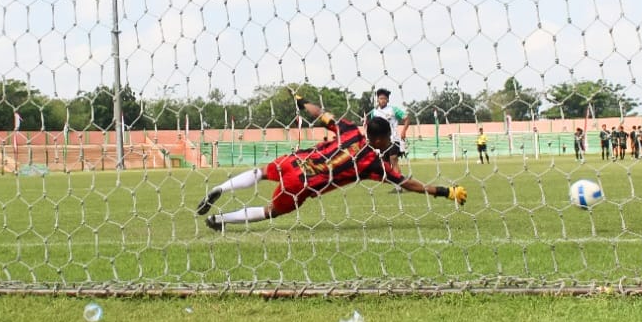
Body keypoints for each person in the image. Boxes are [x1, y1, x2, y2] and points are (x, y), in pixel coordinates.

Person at [195, 91, 467, 231]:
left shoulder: (349, 130)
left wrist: (302, 101)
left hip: (296, 161)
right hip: (303, 184)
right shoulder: (372, 162)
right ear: (383, 140)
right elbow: (407, 183)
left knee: (261, 172)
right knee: (270, 212)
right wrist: (446, 191)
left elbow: (322, 114)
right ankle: (220, 220)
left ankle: (222, 187)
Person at [368, 88, 410, 172]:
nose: (383, 100)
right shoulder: (374, 112)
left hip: (393, 139)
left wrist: (404, 131)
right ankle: (393, 179)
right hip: (381, 142)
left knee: (393, 158)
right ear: (378, 100)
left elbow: (407, 119)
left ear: (388, 100)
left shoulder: (393, 109)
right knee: (385, 162)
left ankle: (399, 181)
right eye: (381, 98)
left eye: (385, 99)